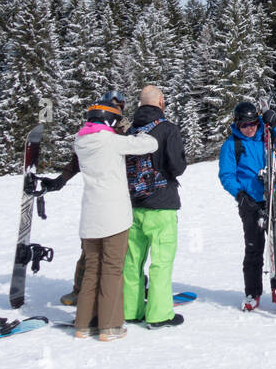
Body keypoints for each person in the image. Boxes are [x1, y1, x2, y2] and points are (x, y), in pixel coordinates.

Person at [70, 97, 158, 340]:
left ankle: (83, 324)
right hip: (114, 217)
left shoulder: (80, 142)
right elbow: (150, 144)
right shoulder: (112, 142)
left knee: (92, 270)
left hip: (89, 217)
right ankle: (109, 326)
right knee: (112, 269)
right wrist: (130, 131)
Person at [39, 89, 129, 308]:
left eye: (120, 106)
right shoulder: (93, 130)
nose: (117, 109)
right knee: (90, 248)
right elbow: (77, 160)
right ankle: (80, 290)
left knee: (122, 248)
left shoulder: (123, 129)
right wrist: (60, 180)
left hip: (123, 194)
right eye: (114, 105)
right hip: (99, 198)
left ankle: (125, 288)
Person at [219, 101, 276, 310]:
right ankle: (252, 293)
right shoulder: (231, 144)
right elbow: (226, 174)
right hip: (250, 201)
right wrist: (239, 194)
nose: (249, 128)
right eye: (244, 125)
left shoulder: (268, 135)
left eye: (253, 123)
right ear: (237, 124)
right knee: (254, 246)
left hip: (274, 195)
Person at [122, 85, 189, 328]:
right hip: (162, 204)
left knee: (132, 260)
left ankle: (130, 309)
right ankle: (159, 314)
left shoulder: (130, 131)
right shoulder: (167, 129)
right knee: (161, 261)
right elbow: (177, 166)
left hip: (132, 204)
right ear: (161, 101)